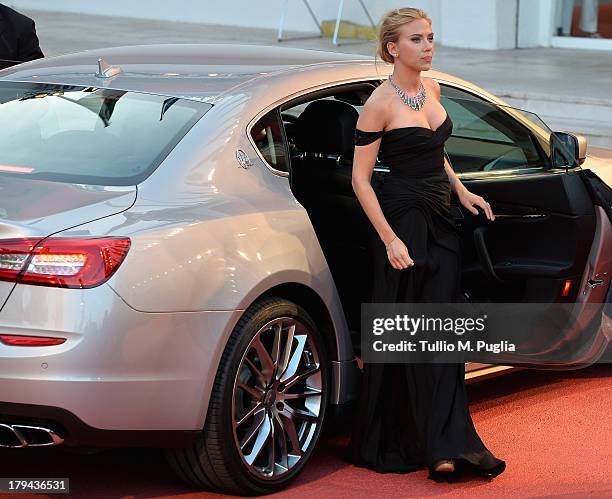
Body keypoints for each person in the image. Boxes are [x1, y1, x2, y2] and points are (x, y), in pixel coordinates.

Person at [348, 7, 506, 480]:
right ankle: (430, 447)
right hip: (404, 223)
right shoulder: (379, 103)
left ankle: (449, 438)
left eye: (431, 37)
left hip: (442, 218)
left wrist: (462, 191)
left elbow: (438, 155)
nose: (428, 46)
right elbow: (359, 180)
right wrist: (390, 239)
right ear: (394, 48)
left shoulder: (431, 89)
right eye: (417, 39)